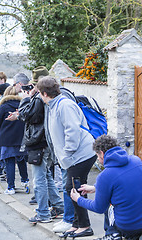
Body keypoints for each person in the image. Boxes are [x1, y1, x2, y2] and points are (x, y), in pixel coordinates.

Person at [37, 76, 97, 238]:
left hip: (81, 154)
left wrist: (67, 152)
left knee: (74, 188)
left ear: (44, 93)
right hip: (75, 155)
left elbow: (72, 130)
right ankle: (77, 224)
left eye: (39, 94)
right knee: (74, 188)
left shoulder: (64, 105)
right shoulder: (55, 105)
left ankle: (84, 226)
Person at [13, 73, 64, 223]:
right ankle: (59, 206)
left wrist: (26, 99)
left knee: (39, 179)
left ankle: (43, 213)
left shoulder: (37, 99)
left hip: (38, 142)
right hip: (44, 141)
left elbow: (28, 116)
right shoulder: (44, 99)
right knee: (46, 175)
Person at [71, 135, 142, 240]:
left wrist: (78, 199)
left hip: (128, 227)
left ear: (102, 154)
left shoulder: (105, 176)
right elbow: (123, 183)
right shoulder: (136, 160)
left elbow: (98, 207)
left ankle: (112, 235)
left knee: (108, 206)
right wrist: (95, 188)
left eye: (98, 156)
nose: (99, 160)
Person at [0, 85, 29, 194]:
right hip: (20, 137)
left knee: (9, 161)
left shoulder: (4, 106)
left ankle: (11, 187)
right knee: (21, 159)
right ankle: (25, 181)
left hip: (7, 138)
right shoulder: (22, 105)